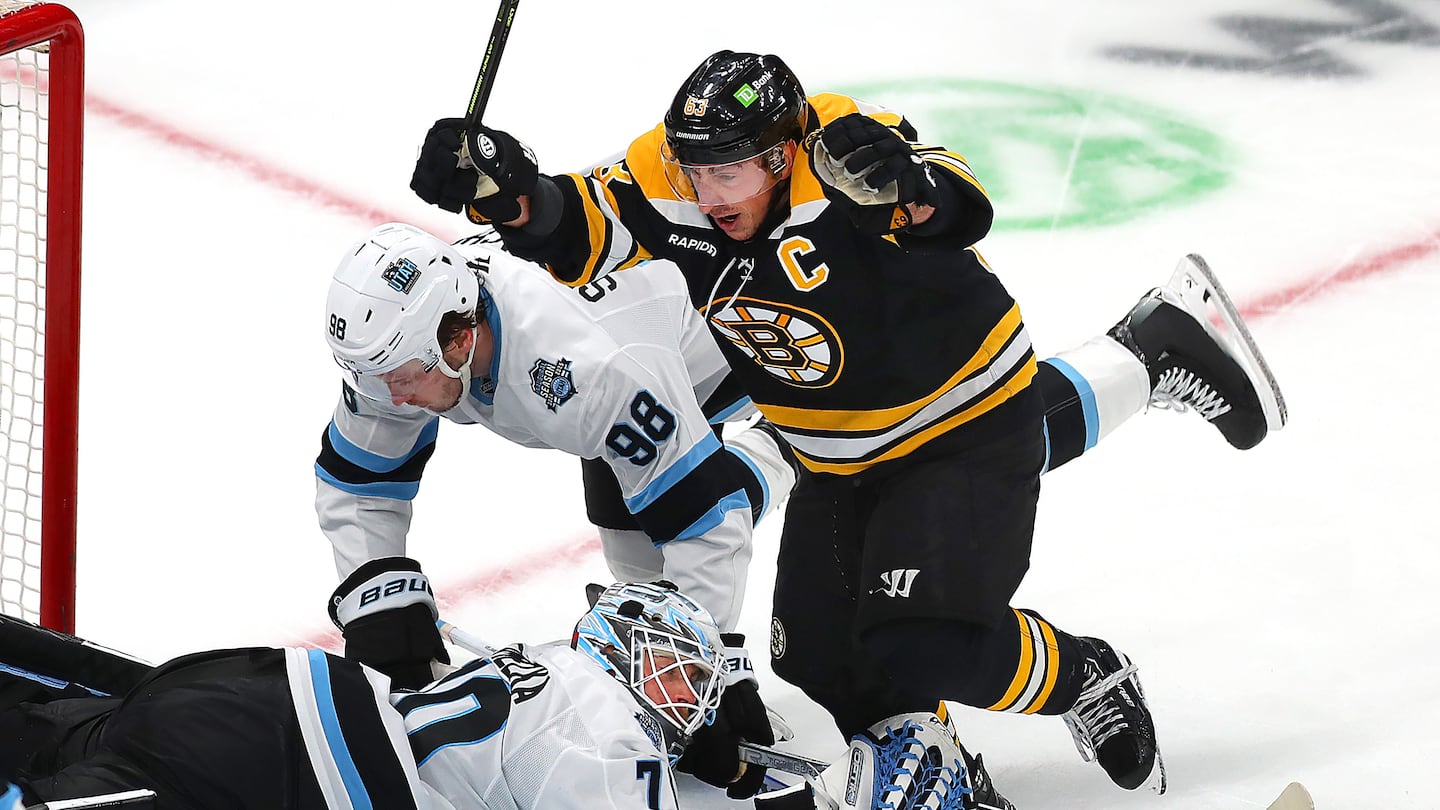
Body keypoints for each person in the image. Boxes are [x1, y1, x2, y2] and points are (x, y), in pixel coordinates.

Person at [408, 49, 1289, 799]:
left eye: (730, 173)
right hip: (837, 461)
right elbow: (575, 223)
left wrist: (910, 190)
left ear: (783, 151)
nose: (709, 194)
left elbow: (958, 202)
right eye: (696, 171)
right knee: (815, 657)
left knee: (924, 639)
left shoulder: (843, 154)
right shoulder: (670, 180)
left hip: (962, 430)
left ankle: (1086, 675)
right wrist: (504, 188)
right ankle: (933, 757)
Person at [316, 222, 792, 796]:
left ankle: (789, 445)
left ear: (460, 341)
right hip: (629, 354)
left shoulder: (595, 369)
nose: (391, 398)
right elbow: (360, 478)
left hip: (722, 334)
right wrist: (380, 597)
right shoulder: (408, 344)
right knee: (635, 552)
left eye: (401, 379)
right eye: (374, 380)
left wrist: (702, 674)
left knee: (660, 538)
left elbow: (707, 522)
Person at [0, 577, 737, 810]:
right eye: (688, 673)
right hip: (284, 770)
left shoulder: (545, 662)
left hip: (257, 687)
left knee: (34, 733)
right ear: (628, 652)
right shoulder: (618, 737)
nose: (695, 699)